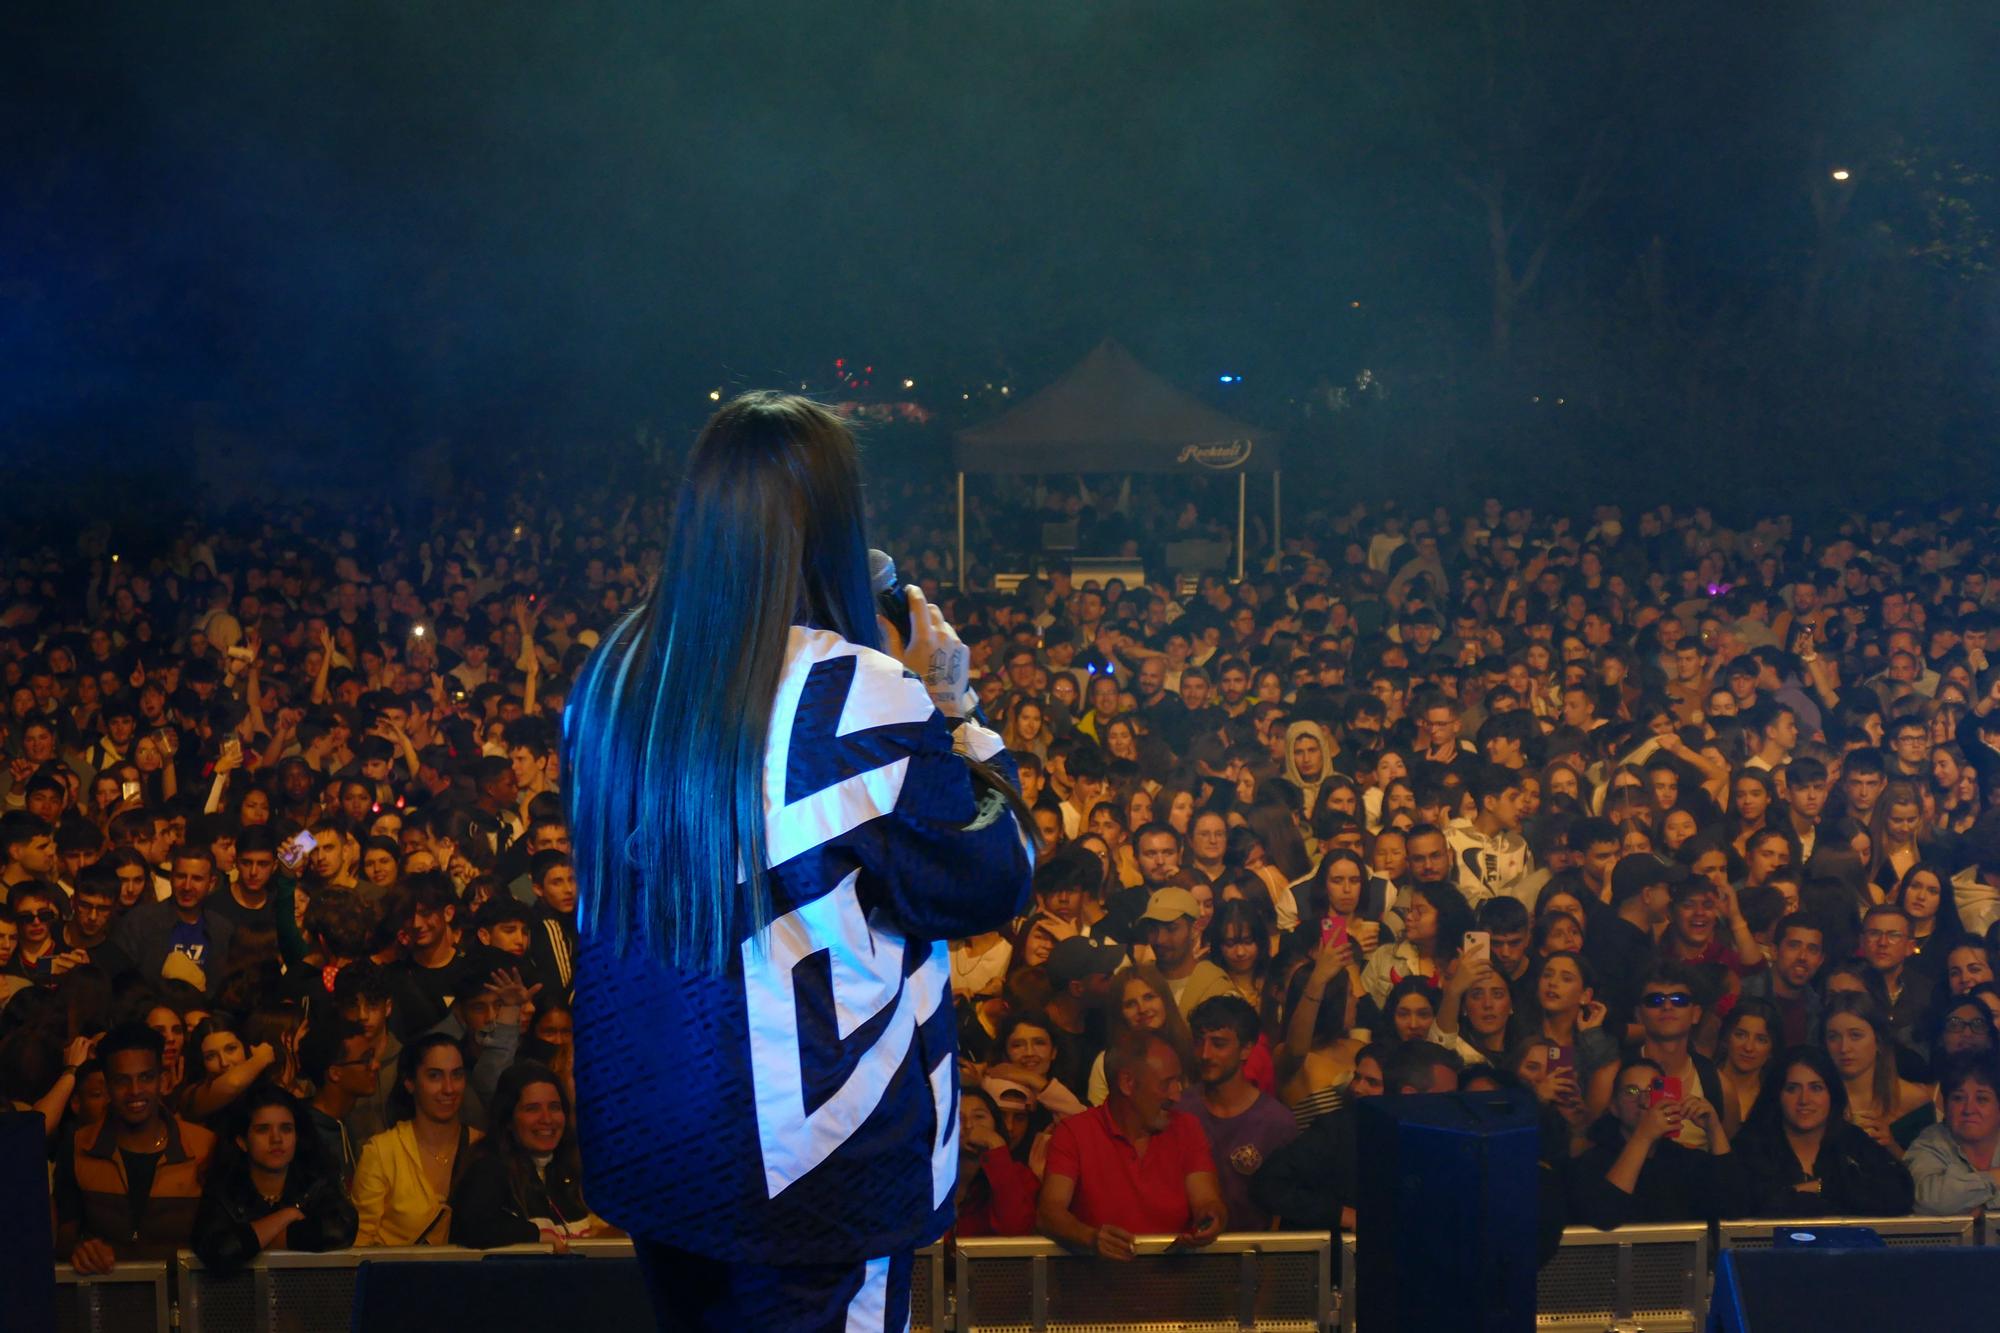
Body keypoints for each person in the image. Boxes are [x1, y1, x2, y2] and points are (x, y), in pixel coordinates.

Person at [562, 393, 1033, 1328]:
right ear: (829, 524)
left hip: (654, 1142)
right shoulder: (854, 691)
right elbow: (993, 873)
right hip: (818, 1171)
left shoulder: (612, 670)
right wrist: (953, 706)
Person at [1036, 1030, 1225, 1260]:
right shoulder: (1074, 1133)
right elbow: (1049, 1213)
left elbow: (1206, 1200)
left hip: (1174, 1286)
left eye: (1178, 1081)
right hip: (1097, 1290)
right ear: (1127, 1083)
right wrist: (1091, 1238)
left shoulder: (1187, 1128)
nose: (1177, 1095)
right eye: (1167, 1083)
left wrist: (1211, 1219)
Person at [53, 1022, 217, 1271]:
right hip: (108, 1298)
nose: (135, 1091)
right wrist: (79, 1249)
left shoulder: (204, 1147)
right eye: (122, 1081)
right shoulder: (78, 1147)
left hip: (184, 1300)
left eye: (146, 1077)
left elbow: (220, 1238)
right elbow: (61, 1234)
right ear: (107, 1087)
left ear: (162, 1080)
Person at [190, 1085, 358, 1277]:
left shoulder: (315, 1182)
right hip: (241, 1301)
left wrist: (256, 1242)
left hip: (306, 1298)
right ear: (242, 1141)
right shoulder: (225, 1188)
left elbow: (338, 1229)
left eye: (286, 1129)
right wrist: (285, 1216)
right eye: (262, 1130)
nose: (276, 1139)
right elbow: (220, 1249)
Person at [1734, 1046, 1913, 1218]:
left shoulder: (1852, 1140)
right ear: (1777, 1095)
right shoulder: (1750, 1145)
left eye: (1816, 1088)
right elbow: (1753, 1205)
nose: (1804, 1099)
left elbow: (1898, 1196)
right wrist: (1842, 1193)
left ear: (1832, 1094)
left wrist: (1820, 1187)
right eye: (1792, 1089)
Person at [1570, 1056, 1746, 1228]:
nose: (1644, 1101)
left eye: (1652, 1091)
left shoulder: (1683, 1160)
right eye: (1631, 1091)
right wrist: (1643, 1136)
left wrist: (1714, 1129)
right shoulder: (1592, 1162)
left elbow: (1732, 1210)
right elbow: (1605, 1217)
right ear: (1614, 1107)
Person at [450, 1060, 606, 1248]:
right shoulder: (488, 1170)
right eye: (532, 1109)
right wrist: (536, 1236)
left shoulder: (577, 1167)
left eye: (555, 1107)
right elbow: (472, 1227)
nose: (547, 1119)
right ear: (508, 1119)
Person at [1177, 995, 1297, 1230]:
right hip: (1187, 1253)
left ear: (1246, 1049)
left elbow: (1286, 1206)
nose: (1205, 1054)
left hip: (1252, 1255)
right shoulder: (1179, 1109)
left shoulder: (1276, 1122)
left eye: (1218, 1044)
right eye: (1199, 1042)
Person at [350, 1032, 480, 1245]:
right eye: (434, 1076)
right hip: (395, 1276)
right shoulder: (383, 1152)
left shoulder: (482, 1147)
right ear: (410, 1082)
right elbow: (360, 1243)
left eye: (456, 1075)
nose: (449, 1088)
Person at [1822, 992, 1935, 1159]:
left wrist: (1891, 1146)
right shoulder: (1815, 1099)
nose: (1844, 1047)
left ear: (1879, 1041)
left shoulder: (1915, 1102)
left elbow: (1927, 1176)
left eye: (1855, 1035)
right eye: (1833, 1037)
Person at [1906, 1053, 2000, 1215]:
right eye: (1958, 1098)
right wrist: (1995, 1179)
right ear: (1946, 1106)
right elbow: (1926, 1201)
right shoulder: (1929, 1142)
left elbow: (1946, 1205)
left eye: (1982, 1099)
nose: (1969, 1109)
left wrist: (1980, 1207)